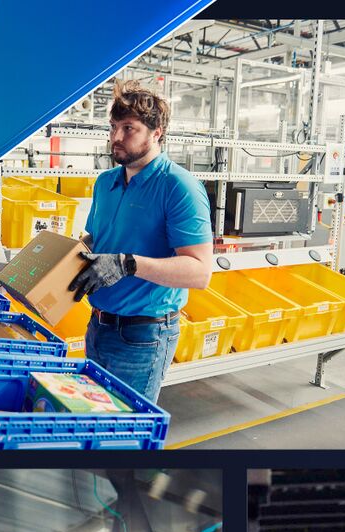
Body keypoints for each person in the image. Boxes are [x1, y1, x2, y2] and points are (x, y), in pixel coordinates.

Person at [70, 80, 213, 403]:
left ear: (156, 132)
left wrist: (126, 264)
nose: (116, 138)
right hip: (97, 326)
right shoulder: (105, 182)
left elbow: (200, 272)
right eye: (113, 127)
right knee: (95, 423)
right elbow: (96, 239)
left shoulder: (178, 187)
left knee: (124, 435)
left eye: (129, 128)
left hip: (144, 337)